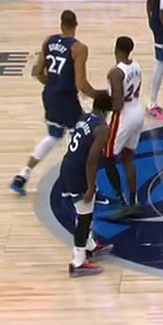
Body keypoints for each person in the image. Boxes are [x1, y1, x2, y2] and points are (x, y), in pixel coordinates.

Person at [12, 10, 97, 196]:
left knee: (53, 136)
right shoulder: (79, 48)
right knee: (79, 139)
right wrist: (98, 96)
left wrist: (53, 84)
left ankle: (22, 175)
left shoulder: (49, 41)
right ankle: (71, 185)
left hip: (50, 95)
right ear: (76, 24)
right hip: (67, 98)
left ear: (61, 24)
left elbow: (38, 72)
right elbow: (81, 84)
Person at [58, 92, 114, 277]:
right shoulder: (102, 128)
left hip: (67, 165)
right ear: (107, 111)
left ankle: (91, 246)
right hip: (78, 172)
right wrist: (90, 187)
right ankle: (78, 262)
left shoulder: (84, 118)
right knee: (84, 218)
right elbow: (91, 160)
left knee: (82, 211)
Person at [102, 36, 143, 218]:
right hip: (137, 111)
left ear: (116, 48)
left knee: (108, 156)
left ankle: (123, 202)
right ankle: (134, 200)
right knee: (127, 156)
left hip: (124, 116)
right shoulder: (136, 66)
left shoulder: (116, 73)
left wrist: (101, 103)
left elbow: (117, 104)